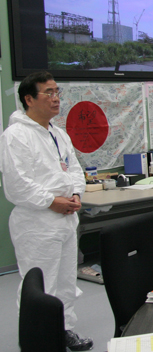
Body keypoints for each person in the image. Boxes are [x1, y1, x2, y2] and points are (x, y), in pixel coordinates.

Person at [0, 71, 92, 351]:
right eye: (48, 93)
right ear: (29, 99)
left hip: (65, 219)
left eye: (57, 92)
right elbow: (16, 184)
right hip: (36, 222)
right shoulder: (15, 135)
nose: (55, 98)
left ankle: (64, 330)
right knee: (40, 286)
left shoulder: (58, 133)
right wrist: (51, 201)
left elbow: (74, 168)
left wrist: (76, 193)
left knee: (65, 282)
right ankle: (37, 339)